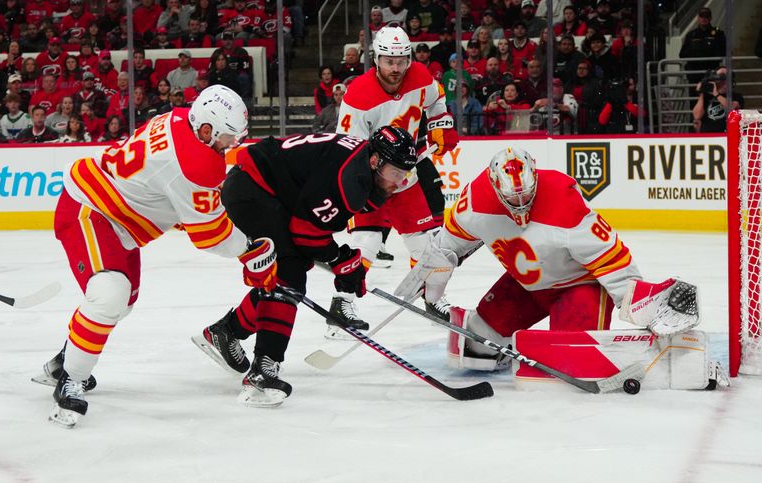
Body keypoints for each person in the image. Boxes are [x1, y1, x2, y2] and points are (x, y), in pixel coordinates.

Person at [36, 85, 279, 428]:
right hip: (91, 210)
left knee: (119, 304)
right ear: (207, 130)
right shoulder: (198, 164)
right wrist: (250, 251)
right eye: (228, 137)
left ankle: (65, 360)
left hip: (118, 219)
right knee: (109, 295)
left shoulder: (181, 118)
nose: (232, 146)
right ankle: (70, 379)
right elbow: (211, 237)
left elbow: (165, 187)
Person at [193, 126, 418, 407]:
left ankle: (227, 331)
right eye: (395, 173)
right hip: (254, 189)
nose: (398, 181)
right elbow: (306, 234)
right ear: (376, 162)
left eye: (404, 174)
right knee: (289, 275)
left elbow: (310, 229)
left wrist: (343, 262)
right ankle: (263, 371)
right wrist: (340, 261)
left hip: (271, 191)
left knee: (291, 268)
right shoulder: (352, 177)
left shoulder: (361, 165)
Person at [395, 147, 646, 371]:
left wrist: (642, 312)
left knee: (571, 361)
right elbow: (446, 247)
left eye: (526, 194)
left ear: (535, 178)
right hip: (526, 287)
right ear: (494, 186)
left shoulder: (563, 199)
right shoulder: (475, 202)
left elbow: (614, 261)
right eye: (513, 198)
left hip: (578, 285)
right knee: (475, 350)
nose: (521, 203)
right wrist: (430, 282)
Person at [334, 26, 459, 329]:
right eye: (389, 61)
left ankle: (432, 297)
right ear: (376, 58)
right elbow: (346, 149)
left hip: (406, 176)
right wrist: (367, 183)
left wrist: (440, 125)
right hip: (370, 178)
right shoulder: (359, 96)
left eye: (401, 61)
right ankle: (342, 305)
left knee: (425, 245)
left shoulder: (419, 75)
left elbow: (436, 99)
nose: (396, 68)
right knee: (367, 242)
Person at [692, 66, 744, 133]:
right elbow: (697, 116)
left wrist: (716, 94)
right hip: (708, 135)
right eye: (719, 75)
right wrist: (701, 94)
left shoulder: (736, 96)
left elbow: (731, 108)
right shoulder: (707, 96)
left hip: (726, 134)